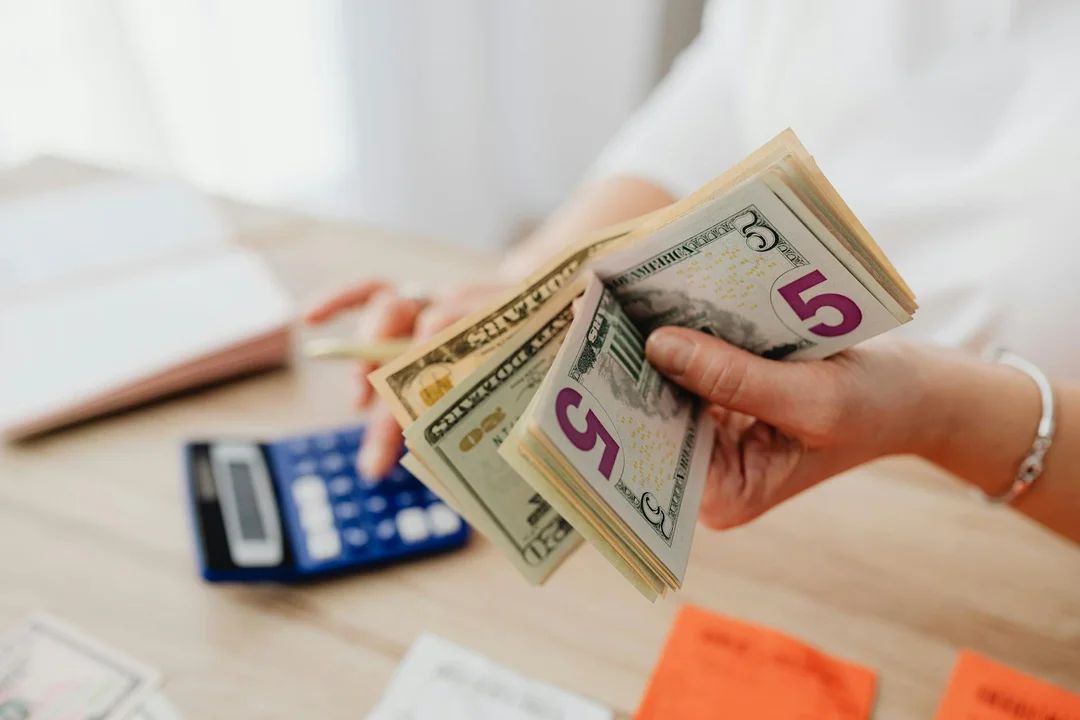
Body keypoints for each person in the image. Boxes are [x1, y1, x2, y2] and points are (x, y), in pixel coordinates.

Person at [306, 0, 1080, 542]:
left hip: (1013, 555)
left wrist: (933, 411)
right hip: (778, 533)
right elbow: (723, 98)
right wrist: (517, 295)